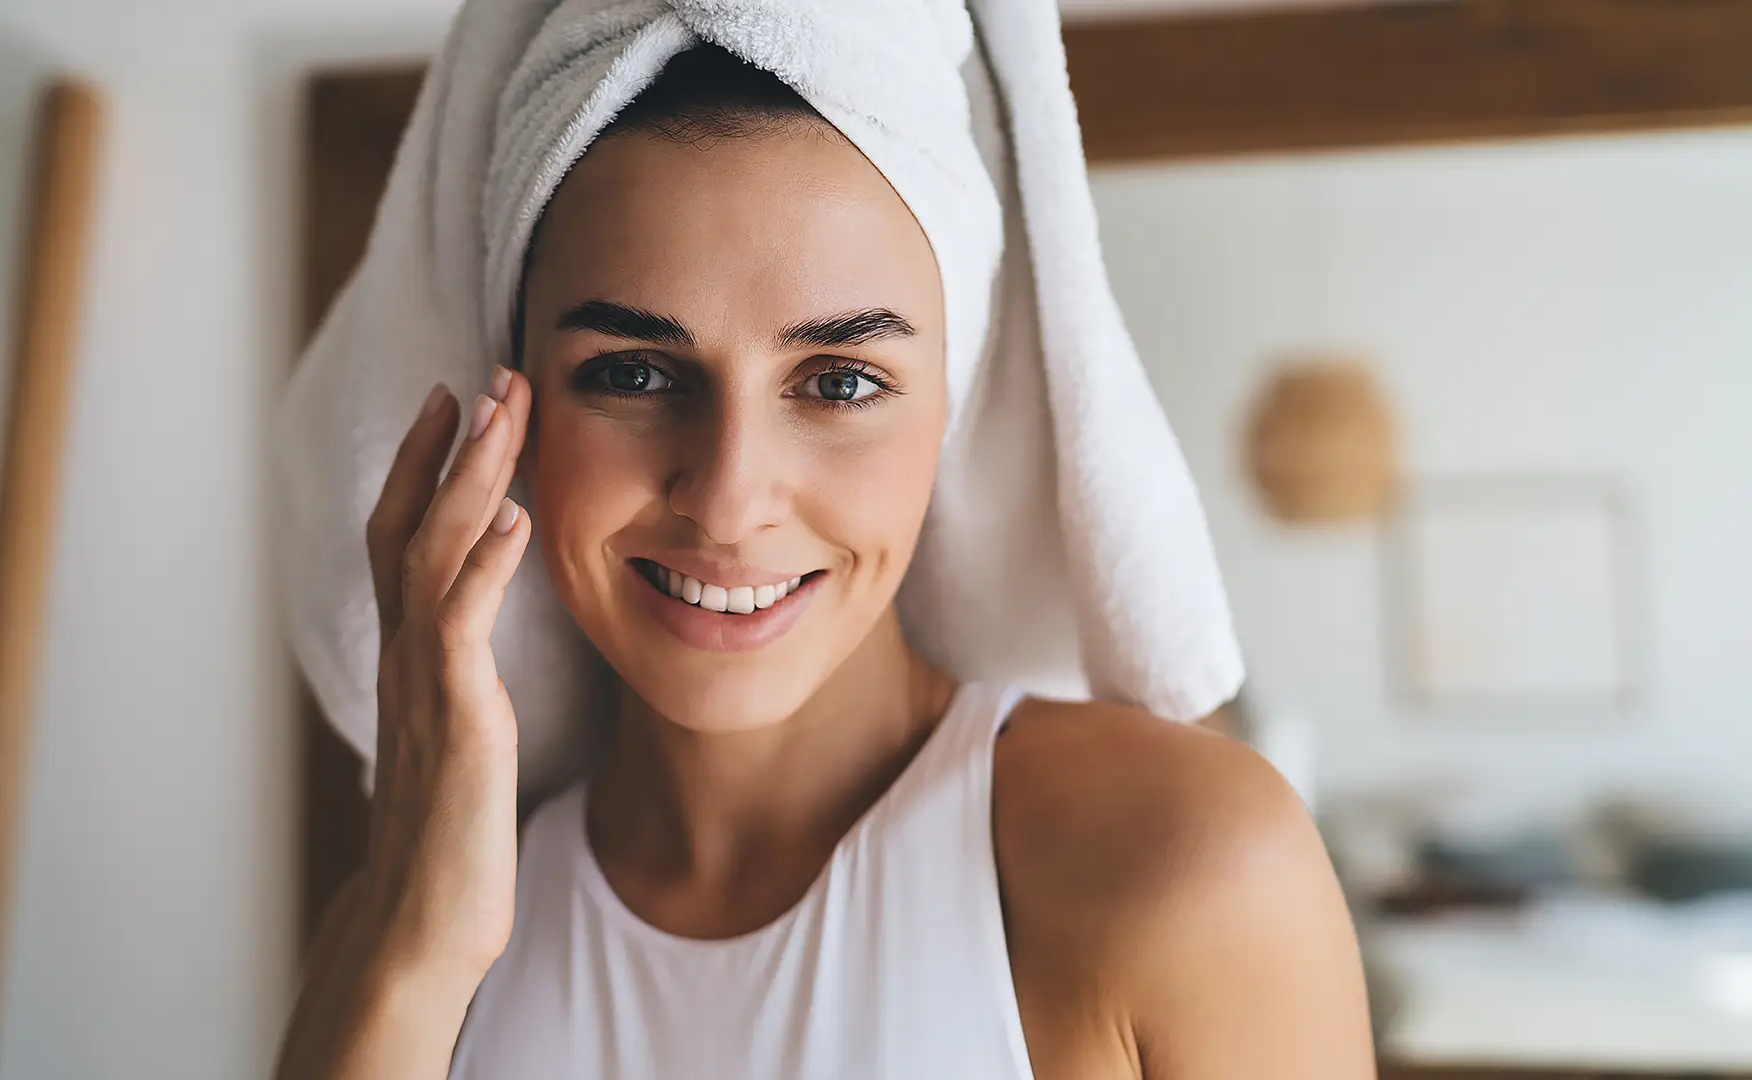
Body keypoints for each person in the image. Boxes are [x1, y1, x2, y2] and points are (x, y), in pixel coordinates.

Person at [272, 20, 1372, 1080]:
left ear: (957, 403)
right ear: (509, 409)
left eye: (840, 382)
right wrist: (416, 961)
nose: (729, 500)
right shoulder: (399, 940)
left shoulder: (1185, 869)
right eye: (633, 372)